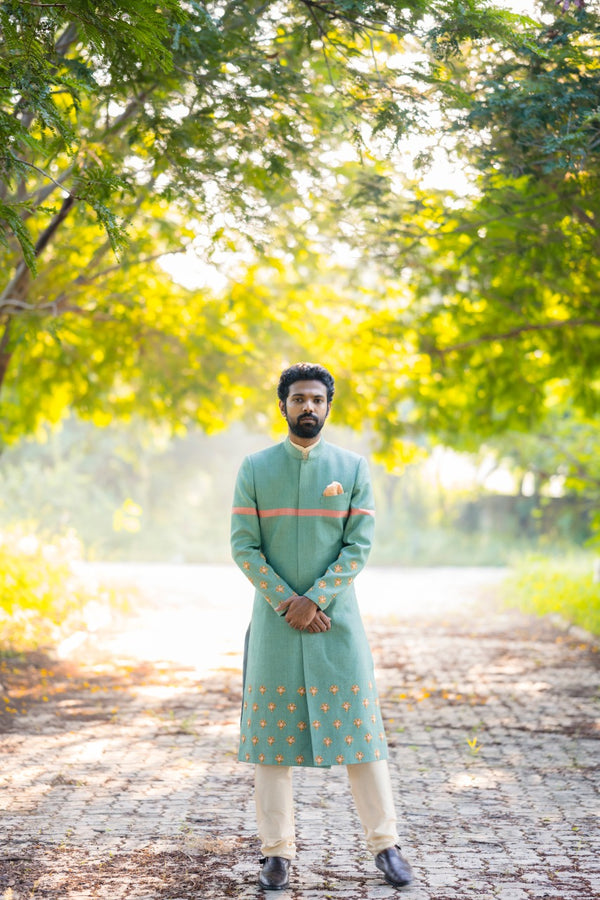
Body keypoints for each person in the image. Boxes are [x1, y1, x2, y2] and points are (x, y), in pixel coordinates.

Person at [230, 362, 412, 891]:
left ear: (328, 406)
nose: (307, 407)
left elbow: (358, 546)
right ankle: (276, 856)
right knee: (271, 745)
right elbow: (244, 545)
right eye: (298, 399)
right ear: (283, 405)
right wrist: (289, 600)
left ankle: (386, 846)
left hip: (337, 625)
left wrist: (317, 599)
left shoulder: (352, 467)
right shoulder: (255, 468)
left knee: (361, 737)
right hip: (276, 623)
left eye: (316, 399)